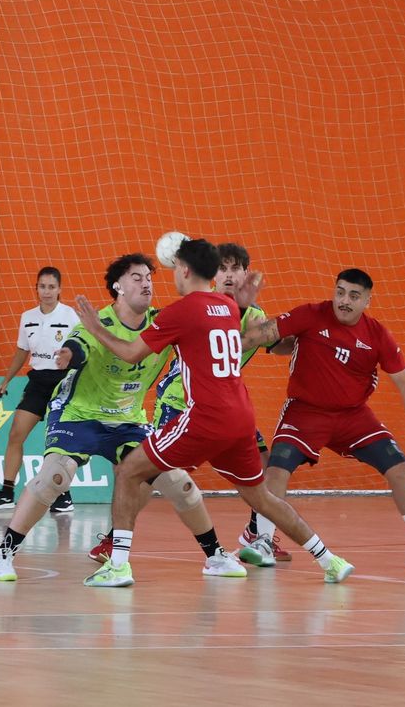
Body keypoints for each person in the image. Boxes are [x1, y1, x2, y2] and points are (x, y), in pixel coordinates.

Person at [74, 238, 353, 587]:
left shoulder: (183, 310)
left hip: (204, 417)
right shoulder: (225, 307)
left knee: (129, 470)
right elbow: (230, 318)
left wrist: (94, 326)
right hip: (240, 418)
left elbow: (132, 353)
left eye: (175, 269)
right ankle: (330, 559)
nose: (173, 275)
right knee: (260, 496)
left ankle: (117, 565)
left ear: (186, 271)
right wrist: (243, 302)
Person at [0, 254, 245, 581]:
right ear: (118, 287)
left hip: (129, 421)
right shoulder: (100, 322)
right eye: (136, 277)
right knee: (55, 477)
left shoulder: (163, 321)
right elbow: (79, 345)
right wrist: (68, 355)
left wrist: (234, 298)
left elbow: (209, 324)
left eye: (149, 277)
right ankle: (3, 555)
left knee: (180, 483)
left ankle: (215, 557)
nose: (146, 283)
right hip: (79, 415)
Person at [238, 268, 405, 570]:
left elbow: (404, 380)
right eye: (340, 292)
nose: (344, 300)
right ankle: (263, 541)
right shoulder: (311, 315)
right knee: (277, 468)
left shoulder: (377, 334)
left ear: (367, 300)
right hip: (306, 412)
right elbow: (262, 334)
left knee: (399, 466)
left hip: (354, 416)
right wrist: (220, 345)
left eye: (354, 296)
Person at [145, 241, 293, 565]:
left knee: (267, 468)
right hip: (181, 401)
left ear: (244, 274)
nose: (228, 275)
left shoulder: (254, 315)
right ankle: (115, 540)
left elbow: (274, 344)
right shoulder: (200, 306)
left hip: (225, 407)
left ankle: (257, 533)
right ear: (213, 274)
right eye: (222, 269)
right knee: (152, 473)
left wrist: (305, 341)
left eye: (235, 268)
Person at [0, 267, 79, 512]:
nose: (46, 291)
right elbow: (21, 351)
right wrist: (6, 380)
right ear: (36, 288)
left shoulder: (70, 316)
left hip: (63, 382)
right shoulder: (28, 317)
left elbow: (84, 349)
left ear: (59, 289)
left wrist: (72, 362)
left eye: (51, 287)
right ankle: (6, 493)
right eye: (42, 286)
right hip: (37, 381)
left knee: (57, 443)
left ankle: (63, 496)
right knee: (16, 434)